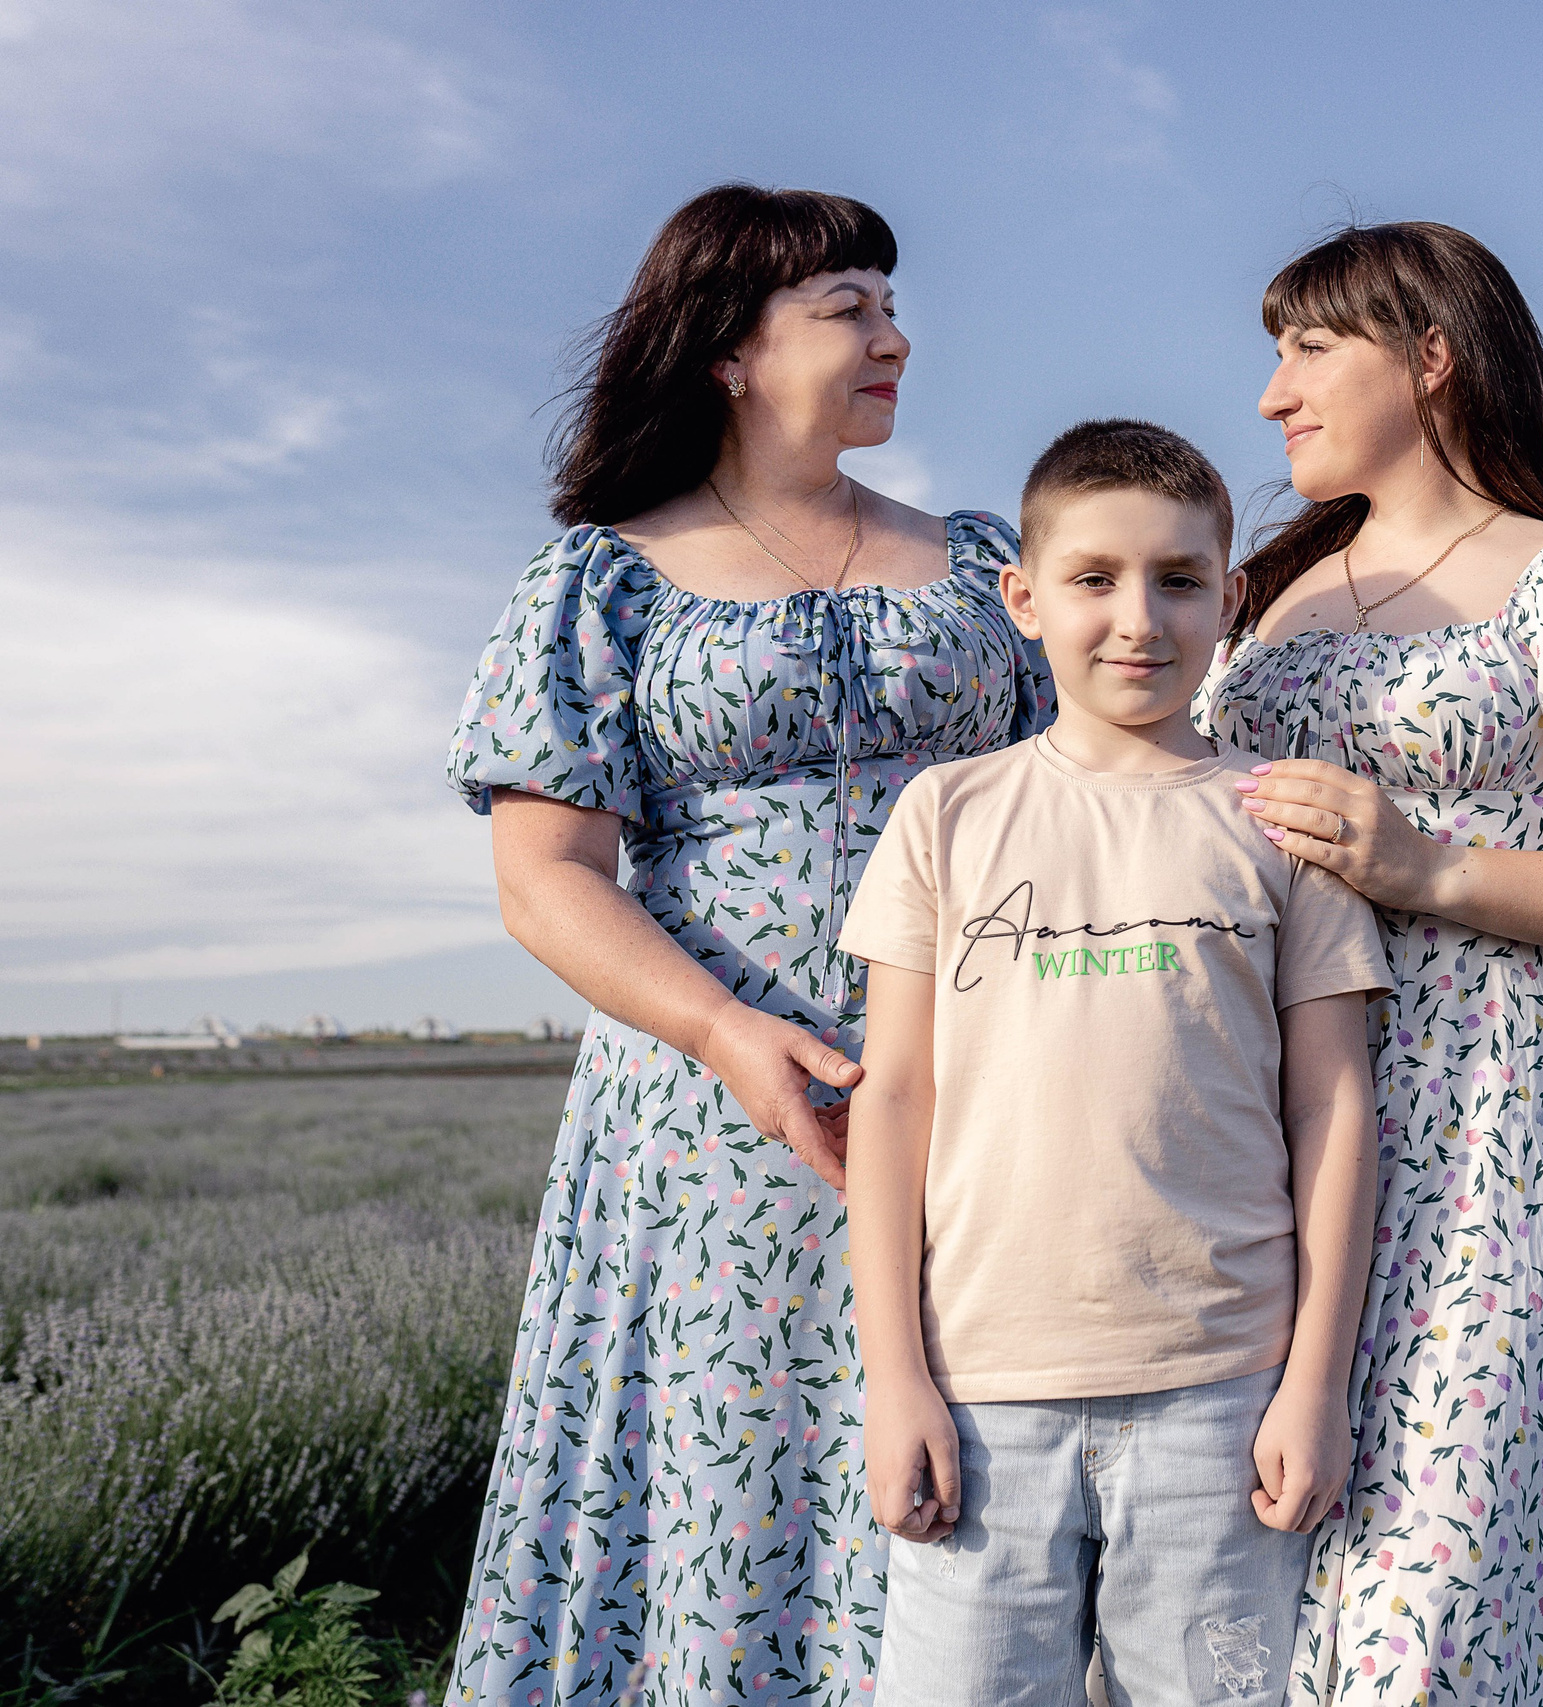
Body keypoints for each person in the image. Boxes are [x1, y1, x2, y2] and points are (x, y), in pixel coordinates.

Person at [440, 183, 1051, 1706]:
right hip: (715, 1128)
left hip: (982, 1084)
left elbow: (1088, 797)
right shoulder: (601, 576)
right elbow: (549, 878)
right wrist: (727, 1033)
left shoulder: (987, 564)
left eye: (891, 306)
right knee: (734, 1488)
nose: (893, 337)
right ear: (727, 346)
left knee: (983, 1478)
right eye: (850, 309)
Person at [1196, 223, 1543, 1706]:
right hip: (1244, 1113)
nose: (1271, 395)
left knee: (1422, 1594)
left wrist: (1431, 870)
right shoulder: (1258, 598)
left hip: (1467, 1118)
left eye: (1310, 348)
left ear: (1430, 354)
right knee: (1239, 1591)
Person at [839, 421, 1391, 1704]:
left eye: (1179, 579)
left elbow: (1334, 1104)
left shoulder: (1281, 821)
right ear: (1024, 600)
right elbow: (895, 1100)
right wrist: (895, 1379)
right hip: (983, 1396)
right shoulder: (949, 813)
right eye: (1093, 579)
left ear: (1231, 594)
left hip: (1219, 1394)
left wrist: (1313, 1383)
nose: (1138, 618)